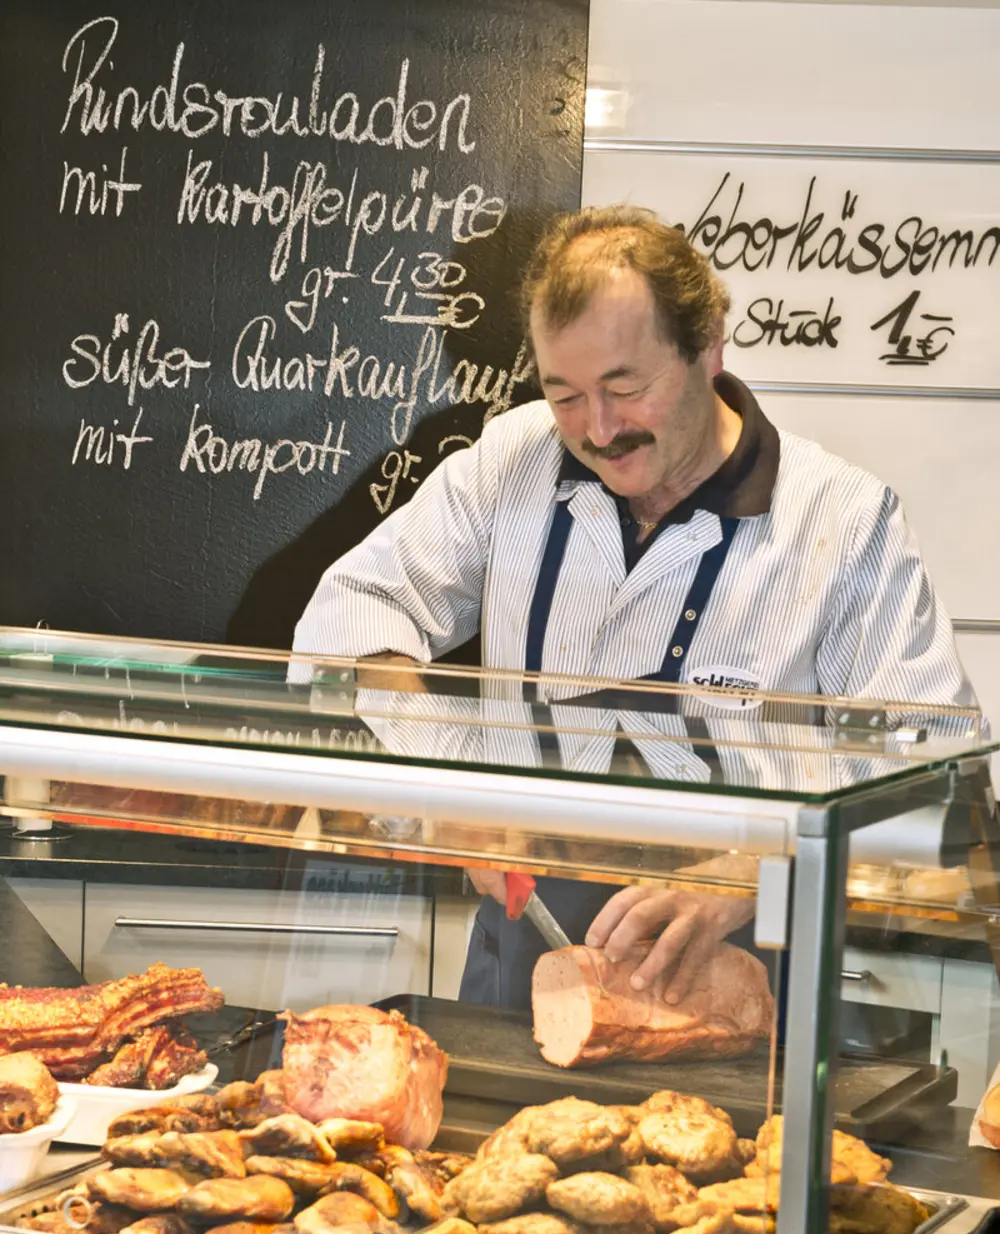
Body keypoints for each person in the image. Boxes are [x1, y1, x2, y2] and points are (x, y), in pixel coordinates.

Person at [292, 204, 978, 1009]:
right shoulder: (512, 462)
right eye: (566, 395)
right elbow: (353, 613)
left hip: (748, 985)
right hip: (528, 972)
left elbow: (933, 766)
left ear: (709, 347)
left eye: (626, 387)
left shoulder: (843, 519)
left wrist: (758, 869)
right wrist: (451, 786)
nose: (600, 428)